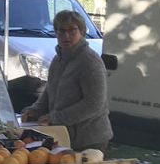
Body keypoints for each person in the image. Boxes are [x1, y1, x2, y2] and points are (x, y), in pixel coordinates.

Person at [20, 10, 112, 151]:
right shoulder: (58, 59)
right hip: (63, 135)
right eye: (61, 31)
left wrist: (56, 118)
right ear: (56, 33)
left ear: (81, 31)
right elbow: (49, 92)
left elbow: (94, 104)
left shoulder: (90, 61)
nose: (66, 36)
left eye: (72, 30)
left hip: (89, 140)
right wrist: (34, 111)